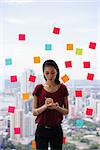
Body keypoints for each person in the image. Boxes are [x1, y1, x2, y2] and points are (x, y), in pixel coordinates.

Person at [32, 59, 69, 150]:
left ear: (57, 72)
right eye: (47, 73)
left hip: (56, 129)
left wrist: (56, 107)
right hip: (41, 129)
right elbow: (34, 112)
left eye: (52, 73)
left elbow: (66, 111)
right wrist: (45, 106)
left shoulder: (62, 88)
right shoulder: (39, 88)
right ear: (43, 73)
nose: (50, 76)